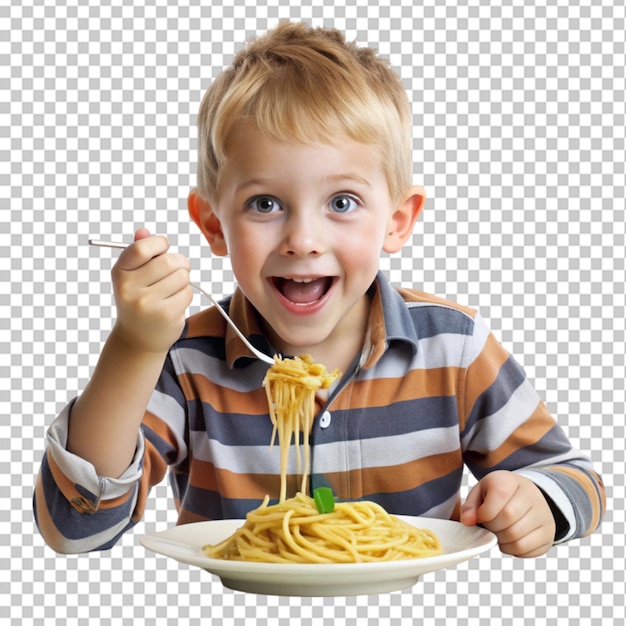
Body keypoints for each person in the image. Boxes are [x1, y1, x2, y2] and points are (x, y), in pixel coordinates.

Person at [34, 22, 605, 558]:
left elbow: (576, 478)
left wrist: (538, 505)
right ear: (213, 226)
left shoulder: (454, 348)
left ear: (397, 221)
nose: (303, 239)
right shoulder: (185, 358)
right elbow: (77, 529)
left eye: (342, 203)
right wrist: (135, 346)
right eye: (265, 204)